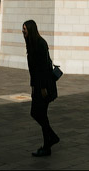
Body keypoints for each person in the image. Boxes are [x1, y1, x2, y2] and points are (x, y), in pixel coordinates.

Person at [23, 20, 59, 157]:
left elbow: (43, 67)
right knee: (38, 114)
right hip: (37, 86)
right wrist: (33, 86)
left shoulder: (40, 44)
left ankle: (48, 144)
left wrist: (43, 87)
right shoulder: (32, 44)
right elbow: (33, 70)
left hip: (44, 87)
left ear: (30, 29)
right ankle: (50, 140)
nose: (23, 31)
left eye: (25, 29)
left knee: (39, 114)